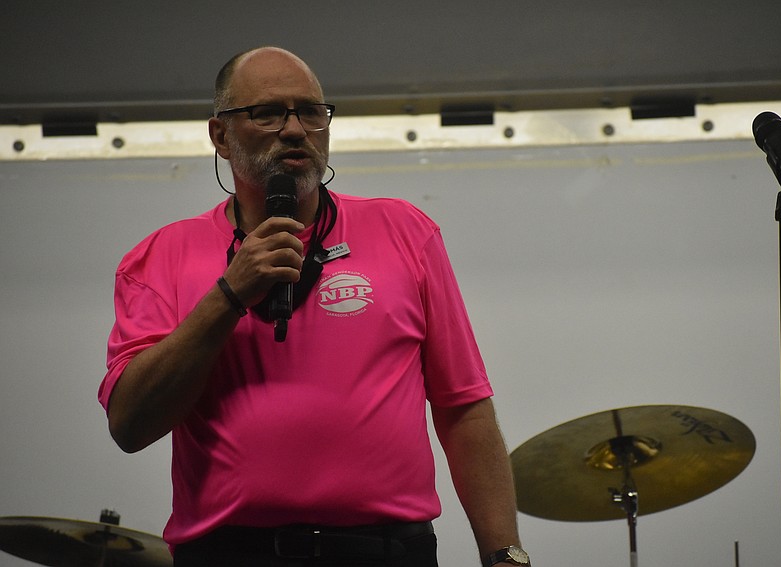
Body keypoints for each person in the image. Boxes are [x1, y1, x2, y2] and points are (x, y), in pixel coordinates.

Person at [98, 46, 529, 567]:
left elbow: (463, 407)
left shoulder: (405, 232)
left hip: (387, 551)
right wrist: (228, 296)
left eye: (310, 111)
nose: (296, 129)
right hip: (230, 553)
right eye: (268, 112)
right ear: (220, 136)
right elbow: (130, 425)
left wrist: (504, 553)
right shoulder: (159, 258)